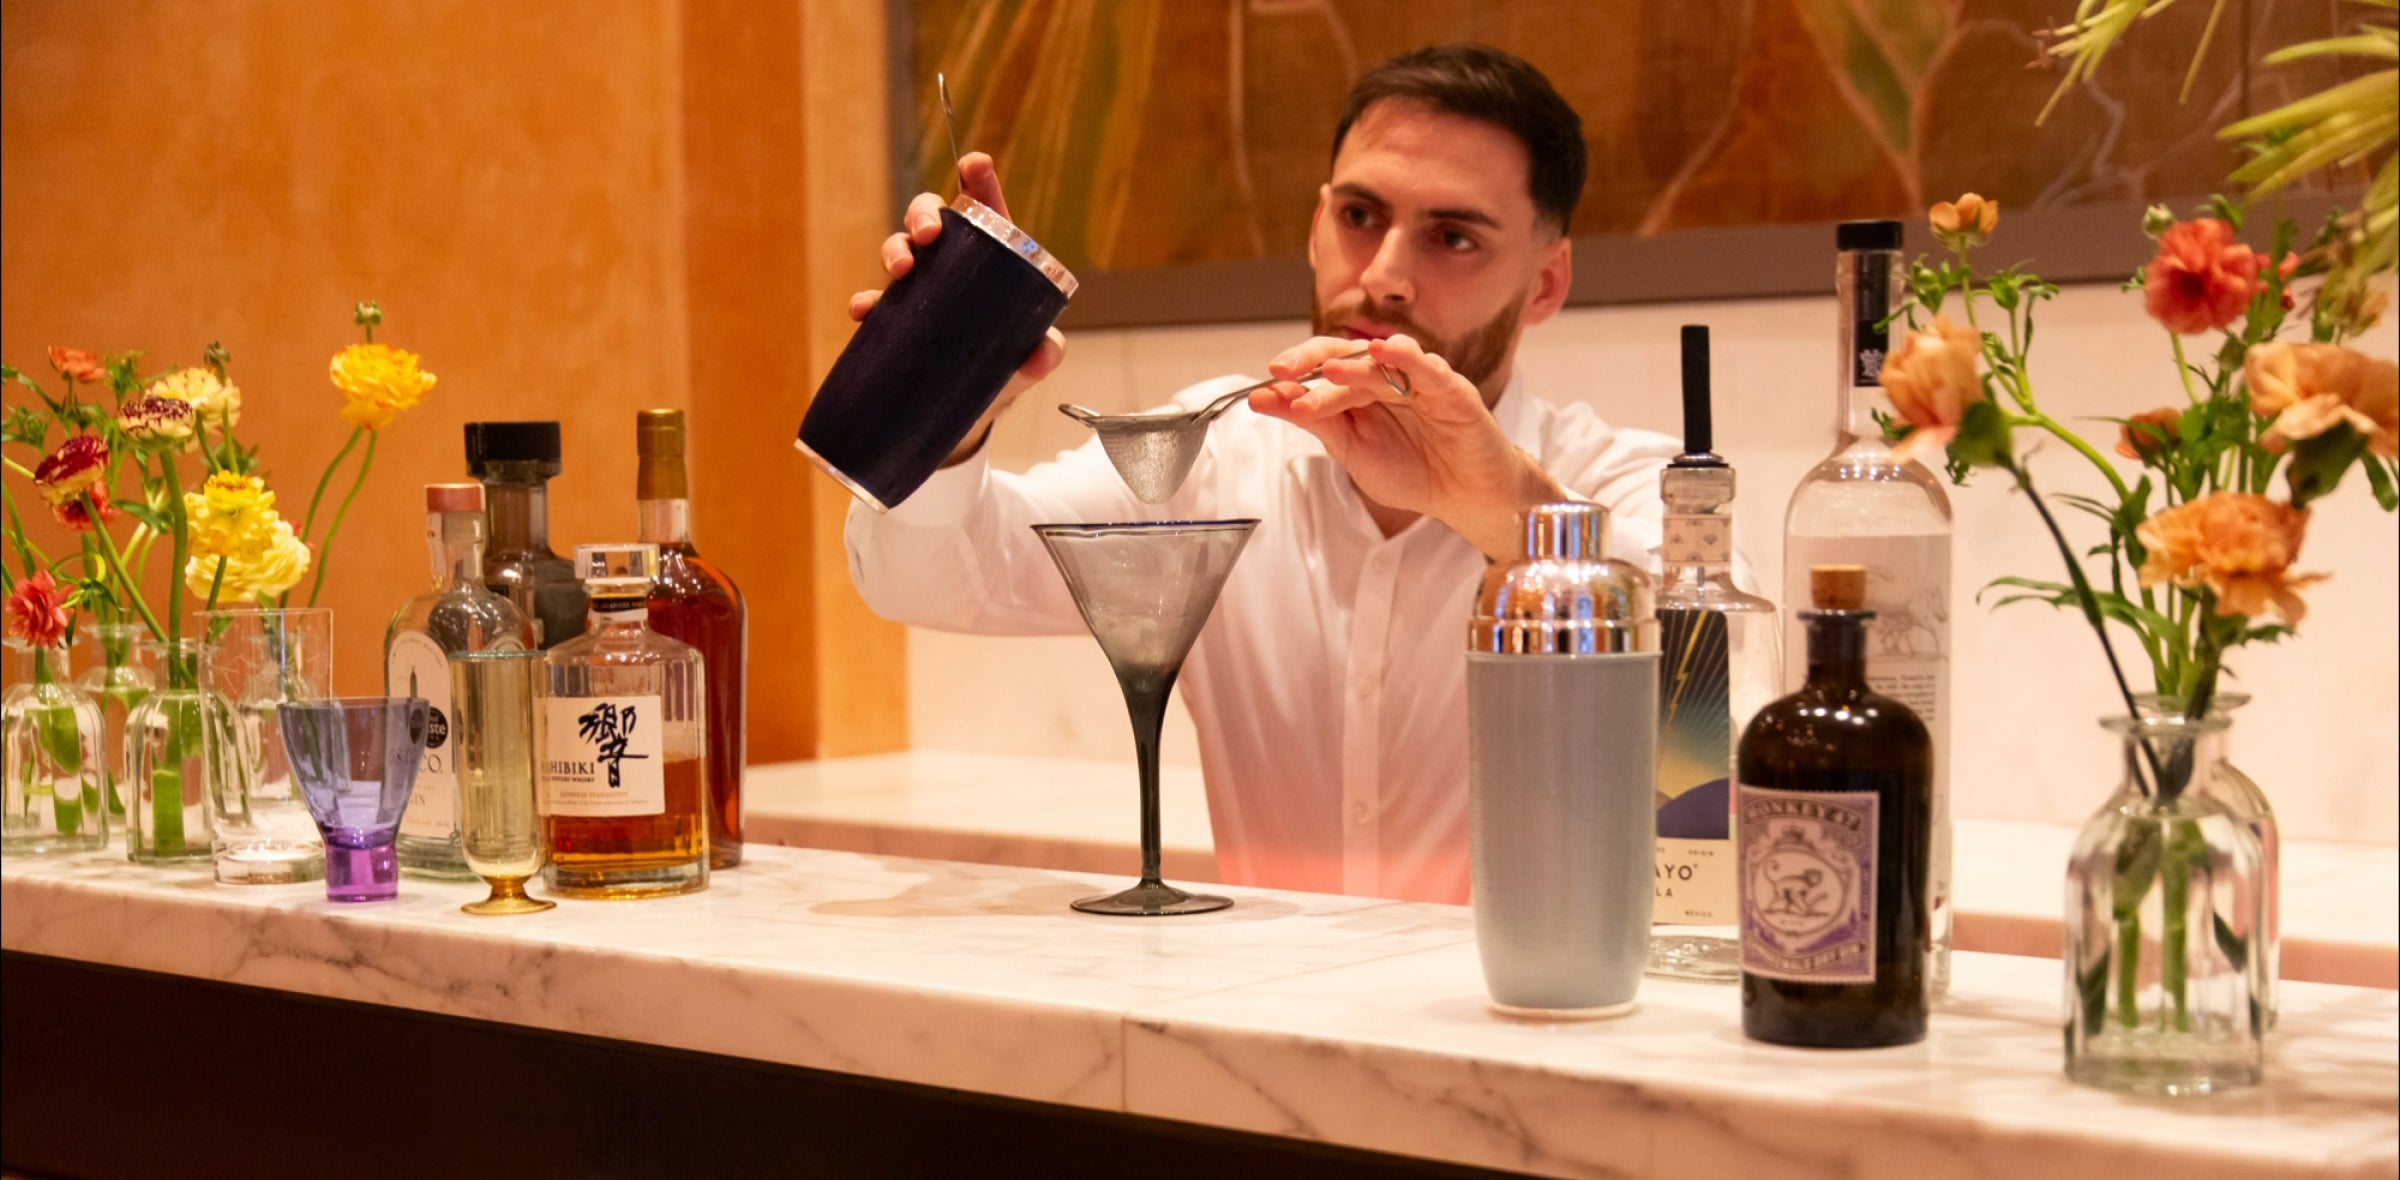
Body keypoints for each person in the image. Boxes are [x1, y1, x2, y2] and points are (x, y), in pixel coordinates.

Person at [840, 43, 1679, 904]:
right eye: (1360, 216)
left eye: (1453, 237)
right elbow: (931, 580)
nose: (1385, 277)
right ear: (1316, 229)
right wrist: (949, 408)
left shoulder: (1621, 479)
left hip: (1533, 985)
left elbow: (1705, 695)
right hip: (1269, 985)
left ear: (1545, 284)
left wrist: (1498, 505)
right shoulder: (1210, 455)